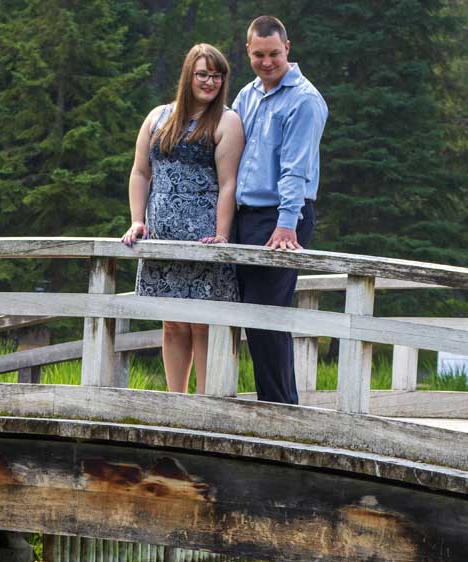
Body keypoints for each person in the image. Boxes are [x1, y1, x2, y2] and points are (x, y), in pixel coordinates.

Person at [122, 44, 244, 394]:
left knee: (202, 323)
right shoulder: (158, 117)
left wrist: (222, 233)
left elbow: (228, 183)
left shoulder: (227, 120)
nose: (210, 82)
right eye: (202, 74)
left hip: (203, 234)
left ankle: (202, 403)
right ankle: (175, 400)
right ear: (188, 75)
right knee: (173, 322)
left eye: (217, 75)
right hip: (162, 234)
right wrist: (136, 220)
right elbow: (141, 173)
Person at [233, 15, 328, 404]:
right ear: (248, 52)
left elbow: (295, 169)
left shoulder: (304, 99)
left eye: (274, 53)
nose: (267, 62)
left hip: (282, 218)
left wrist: (287, 225)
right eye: (259, 55)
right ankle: (268, 403)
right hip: (244, 217)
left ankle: (280, 410)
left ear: (287, 48)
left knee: (267, 319)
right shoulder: (246, 95)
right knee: (245, 318)